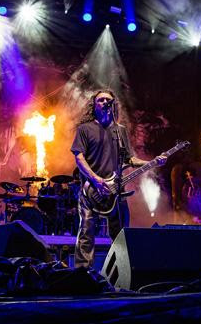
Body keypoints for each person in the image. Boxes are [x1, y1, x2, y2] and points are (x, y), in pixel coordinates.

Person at [70, 90, 167, 268]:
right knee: (86, 232)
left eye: (108, 100)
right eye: (101, 100)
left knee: (121, 235)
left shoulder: (119, 131)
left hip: (116, 191)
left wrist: (152, 162)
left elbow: (130, 159)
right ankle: (82, 273)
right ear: (94, 105)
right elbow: (79, 157)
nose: (105, 102)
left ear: (113, 105)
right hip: (91, 189)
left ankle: (121, 271)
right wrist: (96, 179)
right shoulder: (85, 129)